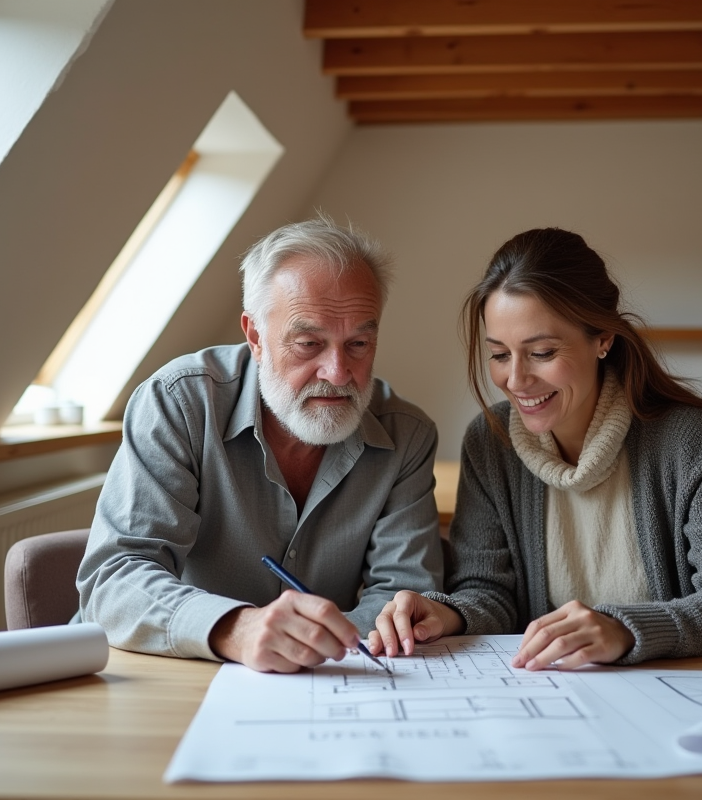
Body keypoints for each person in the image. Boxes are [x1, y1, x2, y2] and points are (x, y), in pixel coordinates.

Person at [371, 228, 702, 669]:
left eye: (542, 352)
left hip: (669, 690)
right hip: (547, 691)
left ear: (603, 338)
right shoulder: (490, 442)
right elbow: (488, 592)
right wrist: (448, 614)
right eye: (500, 354)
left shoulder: (688, 440)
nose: (516, 380)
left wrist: (625, 629)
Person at [77, 216, 443, 672]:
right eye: (308, 343)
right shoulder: (179, 403)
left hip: (328, 679)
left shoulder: (407, 435)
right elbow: (114, 579)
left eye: (359, 343)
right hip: (172, 674)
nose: (337, 373)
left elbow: (404, 596)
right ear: (255, 336)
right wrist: (236, 628)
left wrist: (319, 645)